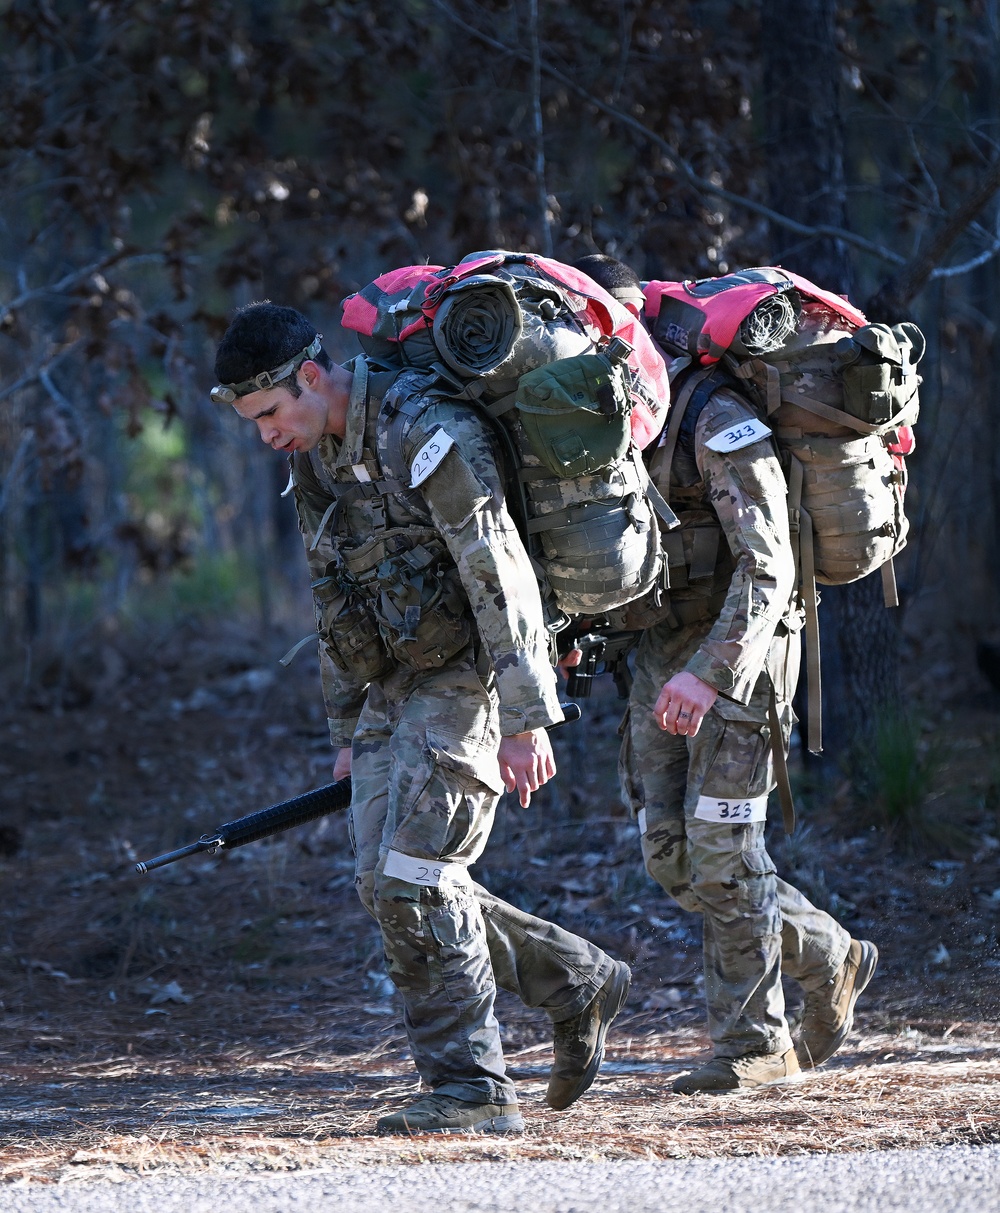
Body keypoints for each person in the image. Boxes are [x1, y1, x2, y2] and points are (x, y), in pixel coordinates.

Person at [212, 302, 630, 1134]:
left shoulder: (419, 427)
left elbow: (495, 559)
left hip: (477, 668)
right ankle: (573, 977)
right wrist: (345, 734)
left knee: (417, 875)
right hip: (396, 680)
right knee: (382, 883)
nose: (265, 434)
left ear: (310, 376)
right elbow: (333, 598)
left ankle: (473, 1088)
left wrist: (524, 714)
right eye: (251, 422)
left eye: (269, 413)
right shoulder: (315, 460)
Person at [574, 255, 878, 1094]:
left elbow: (770, 568)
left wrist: (710, 673)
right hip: (661, 653)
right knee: (672, 856)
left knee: (723, 849)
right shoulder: (603, 419)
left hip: (744, 652)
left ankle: (754, 1043)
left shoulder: (715, 415)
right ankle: (832, 953)